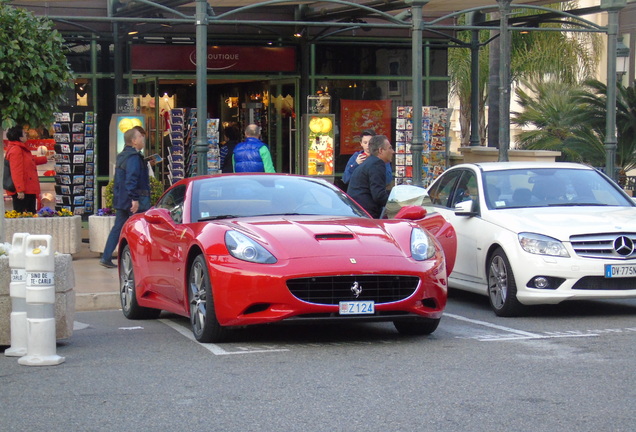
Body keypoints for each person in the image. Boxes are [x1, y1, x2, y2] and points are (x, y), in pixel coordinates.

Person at [100, 127, 150, 268]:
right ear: (133, 141)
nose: (142, 139)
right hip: (133, 200)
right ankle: (139, 259)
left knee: (118, 227)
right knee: (140, 228)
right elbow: (131, 179)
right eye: (140, 137)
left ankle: (106, 256)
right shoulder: (133, 157)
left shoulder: (123, 156)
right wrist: (134, 199)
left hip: (121, 199)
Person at [4, 125, 51, 213]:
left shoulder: (21, 149)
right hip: (24, 191)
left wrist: (46, 158)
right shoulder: (16, 150)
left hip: (28, 189)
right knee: (24, 216)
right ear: (20, 138)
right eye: (24, 134)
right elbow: (16, 171)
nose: (26, 135)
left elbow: (31, 161)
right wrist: (20, 190)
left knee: (30, 215)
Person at [347, 135, 395, 218]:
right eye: (390, 148)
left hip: (358, 212)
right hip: (365, 214)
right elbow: (378, 195)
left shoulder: (371, 162)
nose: (393, 151)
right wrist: (397, 206)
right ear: (380, 150)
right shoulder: (377, 164)